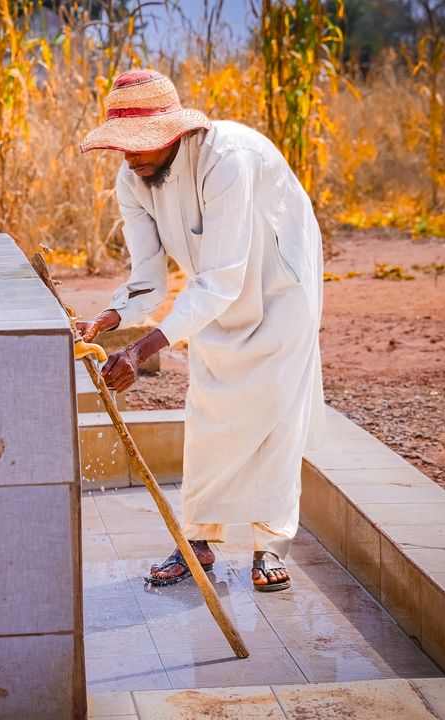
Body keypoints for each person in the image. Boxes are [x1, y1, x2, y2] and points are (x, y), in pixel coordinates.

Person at [77, 69, 326, 591]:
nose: (132, 156)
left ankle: (268, 546)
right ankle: (196, 541)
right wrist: (112, 317)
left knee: (277, 414)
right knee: (207, 407)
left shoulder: (226, 160)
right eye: (122, 146)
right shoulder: (132, 181)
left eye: (142, 145)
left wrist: (144, 349)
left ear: (174, 133)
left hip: (281, 282)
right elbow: (148, 278)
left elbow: (222, 277)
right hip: (214, 292)